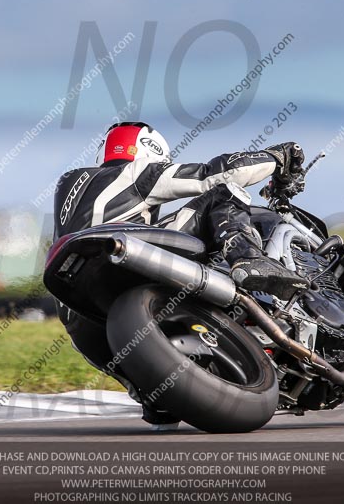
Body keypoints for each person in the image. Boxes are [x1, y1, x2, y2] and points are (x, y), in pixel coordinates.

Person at [52, 121, 308, 425]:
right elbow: (216, 173)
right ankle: (248, 259)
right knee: (224, 192)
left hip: (82, 323)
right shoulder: (134, 173)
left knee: (163, 410)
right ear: (151, 152)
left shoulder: (69, 183)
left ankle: (156, 395)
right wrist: (278, 158)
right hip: (123, 264)